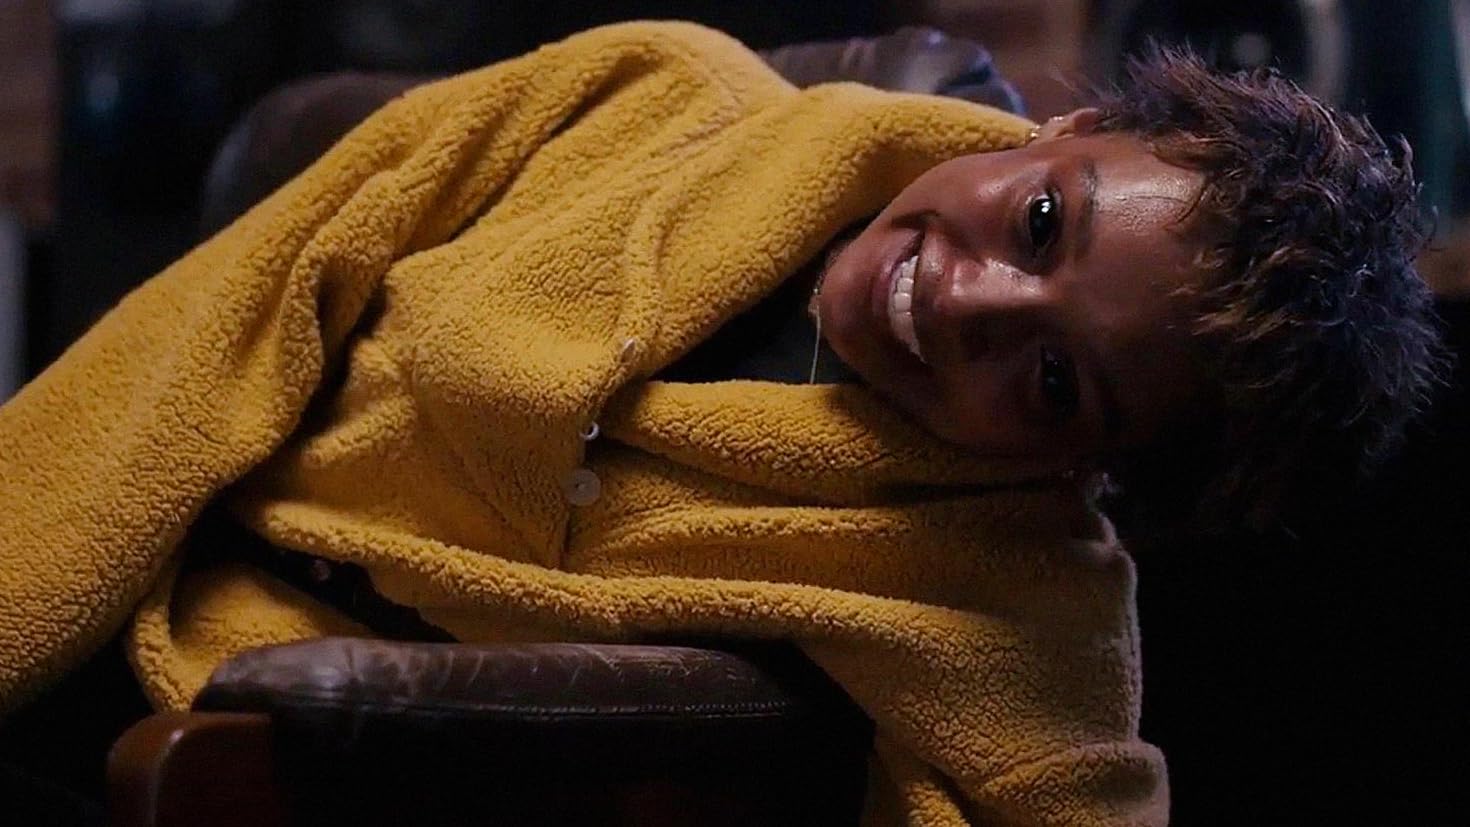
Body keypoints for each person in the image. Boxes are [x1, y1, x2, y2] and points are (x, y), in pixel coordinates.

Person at [0, 21, 1446, 827]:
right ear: (1065, 135)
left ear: (1086, 463)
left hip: (266, 754)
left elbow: (1074, 803)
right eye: (1040, 224)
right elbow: (246, 304)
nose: (965, 299)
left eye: (1055, 381)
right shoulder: (658, 92)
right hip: (110, 553)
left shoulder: (1005, 591)